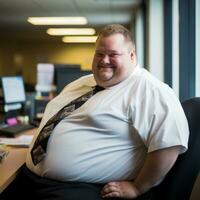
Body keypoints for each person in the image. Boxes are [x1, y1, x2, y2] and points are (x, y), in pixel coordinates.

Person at [1, 24, 189, 200]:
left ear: (132, 56)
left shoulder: (150, 89)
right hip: (31, 178)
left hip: (79, 189)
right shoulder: (81, 83)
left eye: (113, 54)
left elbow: (169, 144)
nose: (104, 60)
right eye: (99, 53)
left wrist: (138, 187)